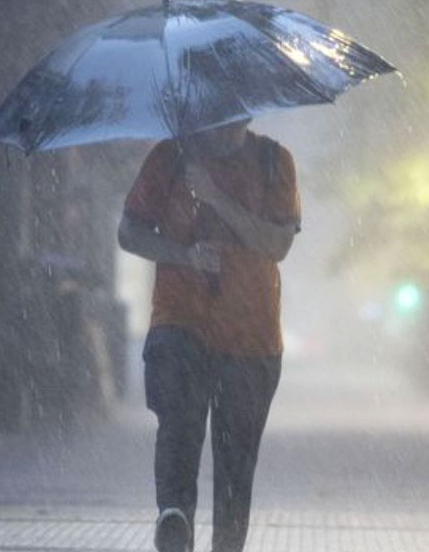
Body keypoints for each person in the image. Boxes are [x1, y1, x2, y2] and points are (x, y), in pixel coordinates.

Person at [118, 120, 300, 552]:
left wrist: (215, 197)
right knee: (178, 427)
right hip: (180, 324)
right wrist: (184, 255)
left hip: (251, 339)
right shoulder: (170, 157)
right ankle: (174, 518)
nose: (228, 118)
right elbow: (129, 232)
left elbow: (277, 244)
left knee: (236, 463)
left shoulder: (274, 161)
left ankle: (226, 544)